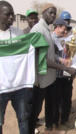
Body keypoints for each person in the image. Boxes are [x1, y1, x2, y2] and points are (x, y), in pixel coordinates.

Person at [28, 3, 76, 133]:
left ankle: (50, 128)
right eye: (50, 13)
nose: (53, 15)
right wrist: (65, 68)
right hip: (40, 79)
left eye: (54, 13)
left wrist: (62, 60)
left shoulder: (46, 30)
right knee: (36, 109)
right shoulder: (38, 30)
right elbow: (42, 59)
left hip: (50, 78)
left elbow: (50, 54)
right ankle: (30, 129)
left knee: (51, 105)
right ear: (43, 13)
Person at [0, 1, 28, 134]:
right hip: (1, 88)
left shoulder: (19, 33)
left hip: (18, 87)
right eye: (8, 14)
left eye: (12, 14)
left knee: (23, 119)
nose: (12, 17)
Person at [51, 19, 73, 127]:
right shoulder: (52, 39)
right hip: (56, 75)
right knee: (56, 100)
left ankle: (65, 120)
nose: (65, 32)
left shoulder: (69, 40)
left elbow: (73, 55)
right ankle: (55, 122)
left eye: (66, 30)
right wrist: (61, 60)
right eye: (64, 29)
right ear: (58, 27)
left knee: (67, 98)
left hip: (67, 73)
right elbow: (50, 55)